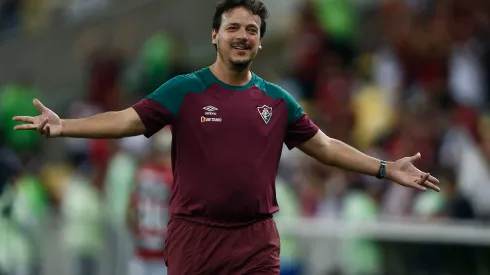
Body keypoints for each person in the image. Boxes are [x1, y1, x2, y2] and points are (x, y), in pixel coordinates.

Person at [12, 0, 440, 274]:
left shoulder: (276, 100)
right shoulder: (185, 89)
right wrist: (65, 125)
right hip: (195, 237)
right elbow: (127, 120)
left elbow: (325, 147)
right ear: (215, 35)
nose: (243, 37)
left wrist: (385, 167)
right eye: (234, 28)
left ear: (259, 41)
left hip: (255, 240)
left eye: (252, 30)